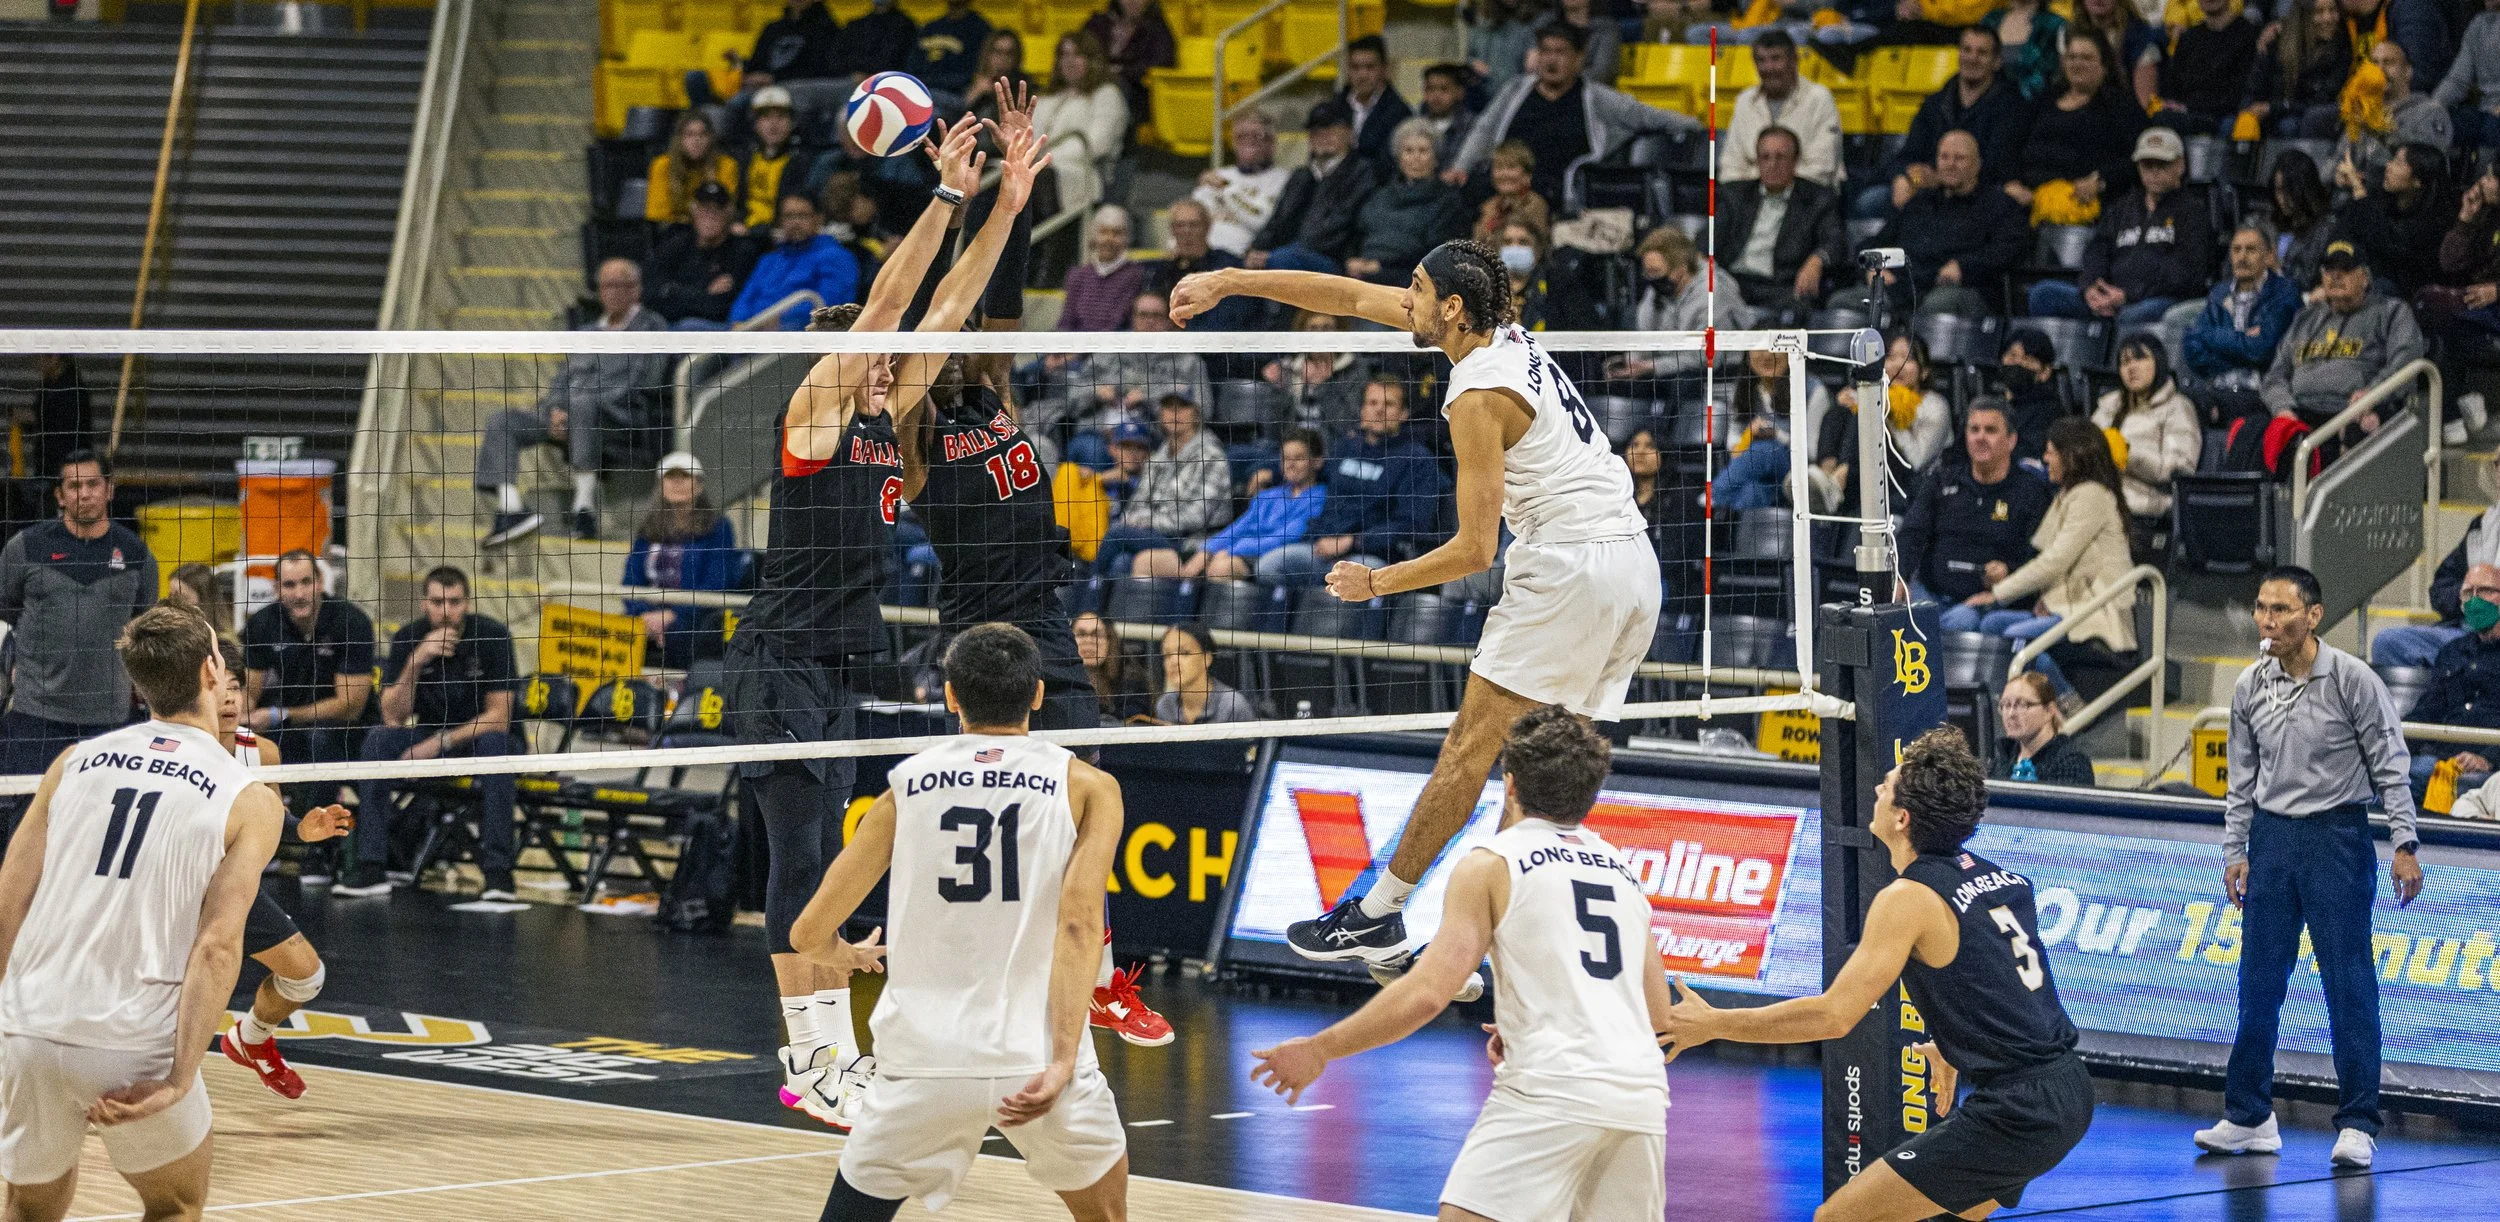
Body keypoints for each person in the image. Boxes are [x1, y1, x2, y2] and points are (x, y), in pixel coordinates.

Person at [1171, 237, 1661, 994]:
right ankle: (1497, 955)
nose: (1405, 299)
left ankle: (1378, 914)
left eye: (1418, 288)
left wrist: (1376, 582)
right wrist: (1230, 280)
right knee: (1540, 776)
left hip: (1572, 570)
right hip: (1633, 567)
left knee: (1470, 748)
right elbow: (1345, 293)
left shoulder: (1478, 394)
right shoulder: (1501, 333)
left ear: (1453, 308)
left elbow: (1475, 549)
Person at [726, 116, 1038, 1128]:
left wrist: (1004, 206)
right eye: (869, 351)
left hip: (834, 668)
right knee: (798, 865)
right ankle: (812, 1060)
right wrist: (943, 193)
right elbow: (898, 302)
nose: (886, 362)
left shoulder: (886, 418)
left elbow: (943, 307)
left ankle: (835, 1056)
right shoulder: (813, 420)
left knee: (828, 863)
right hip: (776, 662)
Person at [887, 122, 1174, 1047]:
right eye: (945, 340)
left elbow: (998, 305)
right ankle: (963, 972)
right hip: (981, 634)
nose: (963, 342)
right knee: (998, 805)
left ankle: (1098, 979)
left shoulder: (992, 392)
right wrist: (952, 205)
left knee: (1087, 790)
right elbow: (938, 316)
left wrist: (1008, 196)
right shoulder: (912, 436)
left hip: (1044, 614)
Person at [1250, 706, 1670, 1220]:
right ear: (1591, 791)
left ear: (1509, 784)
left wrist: (1321, 1049)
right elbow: (1657, 1015)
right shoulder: (1623, 871)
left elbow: (1428, 992)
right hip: (1641, 1100)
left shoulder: (1493, 862)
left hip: (1551, 1089)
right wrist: (1531, 1019)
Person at [1660, 727, 2095, 1222]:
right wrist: (1953, 1045)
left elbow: (1833, 1016)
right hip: (2067, 1088)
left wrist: (1715, 1023)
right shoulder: (1998, 877)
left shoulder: (1907, 899)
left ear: (1902, 818)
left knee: (1837, 1218)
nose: (1875, 790)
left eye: (1886, 786)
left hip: (2020, 1111)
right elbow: (1996, 980)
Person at [789, 623, 1131, 1222]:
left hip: (924, 1059)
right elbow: (1080, 927)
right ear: (1038, 694)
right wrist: (1061, 1062)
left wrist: (842, 955)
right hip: (1036, 1054)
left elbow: (807, 935)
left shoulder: (904, 787)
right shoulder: (1090, 787)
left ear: (950, 696)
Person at [0, 606, 283, 1222]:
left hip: (31, 1023)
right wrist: (181, 1077)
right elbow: (217, 945)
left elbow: (8, 898)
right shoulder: (250, 797)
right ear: (212, 672)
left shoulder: (73, 761)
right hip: (133, 1041)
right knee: (175, 1203)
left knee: (27, 1208)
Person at [2198, 564, 2423, 1170]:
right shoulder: (2250, 684)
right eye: (2261, 608)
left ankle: (2358, 1123)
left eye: (2281, 610)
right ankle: (2250, 1116)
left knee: (2348, 983)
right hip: (2272, 838)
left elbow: (2391, 763)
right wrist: (2235, 849)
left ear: (2314, 615)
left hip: (2336, 837)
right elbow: (2240, 776)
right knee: (2258, 984)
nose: (2267, 621)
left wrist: (2404, 842)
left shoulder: (2352, 679)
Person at [210, 636, 353, 1101]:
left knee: (306, 976)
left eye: (237, 688)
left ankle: (250, 1039)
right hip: (167, 885)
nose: (230, 700)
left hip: (230, 886)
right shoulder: (167, 748)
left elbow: (275, 820)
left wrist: (303, 831)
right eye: (220, 689)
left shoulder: (261, 752)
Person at [334, 566, 520, 901]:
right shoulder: (408, 637)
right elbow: (393, 715)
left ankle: (498, 874)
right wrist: (416, 662)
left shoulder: (493, 636)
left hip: (482, 739)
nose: (446, 611)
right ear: (423, 604)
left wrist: (439, 742)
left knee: (496, 747)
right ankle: (371, 866)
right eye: (437, 602)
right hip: (430, 735)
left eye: (454, 602)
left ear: (467, 603)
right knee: (378, 739)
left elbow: (499, 718)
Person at [477, 258, 671, 546]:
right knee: (504, 420)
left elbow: (647, 380)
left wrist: (580, 406)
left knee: (582, 404)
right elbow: (562, 379)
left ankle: (584, 509)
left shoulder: (652, 327)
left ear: (635, 290)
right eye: (605, 286)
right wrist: (555, 410)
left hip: (621, 418)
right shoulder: (585, 333)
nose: (611, 293)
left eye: (618, 285)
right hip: (572, 413)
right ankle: (511, 509)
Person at [0, 450, 156, 798]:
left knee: (102, 818)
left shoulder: (137, 555)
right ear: (60, 495)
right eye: (73, 486)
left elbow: (143, 628)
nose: (84, 494)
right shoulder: (25, 547)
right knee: (28, 817)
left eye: (92, 484)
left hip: (110, 721)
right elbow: (6, 613)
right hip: (36, 718)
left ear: (109, 489)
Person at [1948, 417, 2135, 697]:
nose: (2045, 459)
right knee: (1990, 625)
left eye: (2051, 452)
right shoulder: (2067, 494)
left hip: (2095, 613)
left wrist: (1997, 594)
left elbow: (2055, 562)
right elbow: (2050, 558)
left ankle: (2066, 702)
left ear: (2071, 456)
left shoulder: (2091, 496)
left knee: (2014, 639)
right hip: (2067, 607)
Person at [1449, 22, 1698, 206]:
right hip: (1505, 185)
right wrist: (1461, 166)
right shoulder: (1515, 90)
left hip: (1561, 194)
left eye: (1560, 52)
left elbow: (1646, 115)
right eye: (1545, 51)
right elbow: (1485, 129)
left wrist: (1697, 125)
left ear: (1579, 58)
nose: (1551, 60)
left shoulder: (1597, 98)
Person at [1255, 378, 1445, 589]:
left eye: (1389, 404)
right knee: (1269, 566)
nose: (1379, 410)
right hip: (1321, 548)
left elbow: (1412, 524)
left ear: (1404, 413)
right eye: (1372, 403)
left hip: (1374, 556)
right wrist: (1271, 472)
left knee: (1352, 583)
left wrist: (1353, 541)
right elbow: (1313, 466)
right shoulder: (1346, 447)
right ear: (1362, 410)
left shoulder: (1417, 459)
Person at [239, 550, 373, 829]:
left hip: (350, 731)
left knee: (319, 739)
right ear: (277, 589)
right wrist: (239, 720)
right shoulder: (262, 624)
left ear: (320, 582)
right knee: (248, 743)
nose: (299, 594)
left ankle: (319, 840)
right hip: (292, 728)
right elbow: (250, 692)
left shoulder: (352, 622)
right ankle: (264, 833)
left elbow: (350, 706)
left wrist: (281, 715)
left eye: (306, 582)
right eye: (289, 585)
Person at [2029, 128, 2211, 327]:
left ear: (2181, 165)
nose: (2154, 171)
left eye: (2163, 164)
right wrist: (2091, 288)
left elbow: (2186, 275)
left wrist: (2127, 295)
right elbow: (2097, 253)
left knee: (2135, 315)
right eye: (2147, 164)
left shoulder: (2193, 211)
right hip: (2110, 297)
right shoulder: (2121, 209)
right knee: (2043, 294)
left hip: (2157, 300)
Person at [1899, 399, 2055, 607]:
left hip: (1989, 603)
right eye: (1974, 430)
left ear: (2011, 440)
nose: (1980, 437)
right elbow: (1911, 533)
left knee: (1960, 620)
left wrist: (2009, 570)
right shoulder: (1942, 480)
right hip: (1930, 595)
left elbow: (2040, 558)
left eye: (1990, 430)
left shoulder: (2031, 492)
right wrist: (1899, 576)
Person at [2262, 239, 2428, 428]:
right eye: (2329, 270)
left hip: (2356, 411)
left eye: (2345, 269)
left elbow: (2405, 364)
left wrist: (2372, 394)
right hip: (2298, 412)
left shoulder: (2391, 312)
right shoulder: (2305, 318)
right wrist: (2283, 409)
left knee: (2364, 426)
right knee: (2252, 428)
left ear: (2364, 278)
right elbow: (2275, 375)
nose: (2335, 276)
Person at [1867, 28, 2027, 219]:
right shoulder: (1935, 102)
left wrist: (1941, 179)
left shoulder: (2011, 106)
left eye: (1982, 53)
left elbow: (1999, 168)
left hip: (1979, 196)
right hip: (1930, 192)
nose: (1972, 58)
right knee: (1872, 200)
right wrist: (1909, 177)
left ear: (1997, 61)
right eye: (1966, 50)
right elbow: (1906, 156)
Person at [1872, 130, 2031, 317]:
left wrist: (1964, 267)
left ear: (1977, 164)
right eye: (1944, 157)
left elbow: (2010, 248)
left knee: (1935, 307)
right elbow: (1877, 242)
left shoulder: (1999, 205)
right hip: (1905, 287)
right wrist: (1874, 266)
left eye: (1959, 158)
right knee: (1849, 302)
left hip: (1965, 289)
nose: (1950, 164)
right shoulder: (1920, 202)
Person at [1135, 428, 1327, 581]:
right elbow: (1239, 527)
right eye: (1286, 458)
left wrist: (1229, 551)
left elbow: (1286, 537)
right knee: (1147, 561)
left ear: (1317, 462)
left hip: (1265, 555)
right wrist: (1207, 550)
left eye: (1299, 458)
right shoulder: (1268, 495)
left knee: (1221, 568)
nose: (1290, 464)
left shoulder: (1322, 498)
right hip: (1229, 551)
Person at [2006, 32, 2149, 225]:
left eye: (2086, 58)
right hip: (2028, 201)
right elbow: (2010, 146)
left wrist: (2101, 181)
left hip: (2084, 206)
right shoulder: (2043, 101)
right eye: (2072, 57)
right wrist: (2012, 181)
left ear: (2104, 65)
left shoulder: (2120, 106)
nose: (2077, 64)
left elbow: (2139, 156)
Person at [2377, 449, 2500, 667]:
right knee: (2388, 643)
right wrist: (2469, 595)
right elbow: (2441, 588)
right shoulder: (2481, 526)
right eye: (2498, 464)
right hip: (2466, 633)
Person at [621, 452, 742, 671]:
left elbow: (717, 583)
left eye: (685, 476)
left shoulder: (719, 528)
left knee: (682, 634)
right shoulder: (648, 527)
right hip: (646, 617)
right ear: (660, 485)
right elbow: (630, 579)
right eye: (670, 477)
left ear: (699, 485)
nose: (677, 482)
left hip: (696, 618)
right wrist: (644, 615)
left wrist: (672, 615)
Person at [1092, 394, 1232, 575]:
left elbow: (1197, 517)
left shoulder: (1212, 456)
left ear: (1196, 413)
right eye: (1168, 407)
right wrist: (1139, 520)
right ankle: (1099, 591)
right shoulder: (1157, 457)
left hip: (1193, 543)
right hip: (1155, 536)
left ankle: (1089, 591)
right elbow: (1136, 505)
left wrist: (1148, 521)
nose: (1174, 414)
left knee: (1117, 533)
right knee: (1122, 562)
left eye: (1182, 407)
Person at [1715, 124, 1847, 316]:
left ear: (1795, 160)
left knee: (1800, 307)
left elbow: (1835, 241)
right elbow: (1708, 241)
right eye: (1765, 157)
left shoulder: (1817, 199)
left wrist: (1817, 259)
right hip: (1734, 283)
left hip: (1783, 287)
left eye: (1780, 157)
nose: (1772, 164)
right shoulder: (1735, 195)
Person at [2183, 222, 2303, 425]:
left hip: (2260, 393)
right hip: (2217, 388)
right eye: (2236, 250)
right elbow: (2193, 349)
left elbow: (2262, 351)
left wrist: (2211, 336)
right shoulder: (2219, 293)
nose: (2242, 257)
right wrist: (2243, 345)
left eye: (2251, 250)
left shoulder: (2284, 292)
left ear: (2268, 255)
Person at [1245, 100, 1379, 279]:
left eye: (1330, 130)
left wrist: (1275, 254)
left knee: (1281, 261)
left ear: (1349, 133)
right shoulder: (1301, 175)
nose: (1322, 137)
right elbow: (1277, 220)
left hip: (1335, 261)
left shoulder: (1362, 173)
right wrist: (1256, 249)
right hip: (1290, 254)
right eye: (1316, 132)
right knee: (1235, 264)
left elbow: (1339, 227)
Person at [1816, 334, 1952, 509]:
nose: (1897, 365)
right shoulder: (1881, 394)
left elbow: (1916, 461)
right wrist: (1848, 402)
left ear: (1924, 371)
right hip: (1870, 476)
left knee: (1867, 413)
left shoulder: (1936, 406)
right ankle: (1826, 476)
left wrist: (1887, 415)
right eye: (1891, 357)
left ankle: (1838, 480)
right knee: (1838, 413)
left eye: (1907, 358)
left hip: (1910, 482)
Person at [2091, 333, 2203, 545]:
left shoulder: (2177, 407)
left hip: (2144, 511)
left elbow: (2178, 468)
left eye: (2140, 358)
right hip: (2099, 504)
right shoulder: (2109, 406)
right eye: (2125, 362)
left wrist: (2126, 454)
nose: (2131, 368)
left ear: (2159, 362)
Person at [2401, 562, 2500, 796]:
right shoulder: (2452, 652)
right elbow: (2427, 710)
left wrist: (2487, 758)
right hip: (2441, 760)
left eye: (2484, 591)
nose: (2475, 600)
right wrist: (2391, 746)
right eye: (2467, 593)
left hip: (2489, 766)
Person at [1344, 119, 1466, 286]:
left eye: (1423, 151)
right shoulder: (1379, 196)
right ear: (1399, 157)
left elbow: (1436, 253)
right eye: (1408, 151)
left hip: (1412, 277)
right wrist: (1351, 260)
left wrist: (1382, 266)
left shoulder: (1448, 200)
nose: (1416, 158)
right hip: (1363, 271)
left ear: (1436, 157)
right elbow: (1356, 235)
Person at [1615, 226, 1749, 377]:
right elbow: (1645, 336)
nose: (1651, 278)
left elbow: (1705, 357)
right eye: (1648, 272)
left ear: (1681, 268)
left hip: (1721, 374)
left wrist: (1653, 366)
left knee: (1684, 381)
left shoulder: (1714, 292)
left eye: (1656, 272)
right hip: (1671, 368)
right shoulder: (1657, 288)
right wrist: (1631, 361)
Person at [1034, 31, 1129, 230]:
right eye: (1064, 55)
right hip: (1041, 168)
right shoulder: (1047, 97)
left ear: (1092, 60)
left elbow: (1097, 144)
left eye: (1077, 55)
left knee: (1042, 179)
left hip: (1084, 172)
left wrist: (1046, 160)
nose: (1069, 61)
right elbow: (1032, 136)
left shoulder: (1107, 95)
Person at [1722, 31, 1842, 187]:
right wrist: (1760, 187)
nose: (1769, 68)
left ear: (1794, 61)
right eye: (1761, 60)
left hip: (1808, 194)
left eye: (1776, 59)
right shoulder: (1745, 100)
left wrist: (1772, 182)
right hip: (1751, 196)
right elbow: (1730, 166)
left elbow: (1822, 168)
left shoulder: (1819, 99)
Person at [732, 194, 864, 331]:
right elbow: (744, 299)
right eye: (789, 216)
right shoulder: (769, 259)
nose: (795, 223)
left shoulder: (836, 257)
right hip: (752, 331)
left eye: (802, 216)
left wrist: (781, 321)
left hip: (799, 334)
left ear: (819, 218)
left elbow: (830, 307)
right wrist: (739, 321)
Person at [2338, 140, 2453, 295]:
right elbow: (2350, 228)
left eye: (2398, 163)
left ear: (2418, 181)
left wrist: (2358, 190)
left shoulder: (2433, 222)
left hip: (2401, 291)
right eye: (2392, 160)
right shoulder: (2385, 198)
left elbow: (2386, 242)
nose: (2388, 166)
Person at [2333, 40, 2453, 184]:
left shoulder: (2430, 112)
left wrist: (2377, 130)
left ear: (2408, 71)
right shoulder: (2364, 111)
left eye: (2388, 62)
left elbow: (2424, 170)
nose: (2379, 69)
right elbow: (2336, 163)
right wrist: (2338, 176)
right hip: (2353, 194)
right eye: (2374, 63)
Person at [644, 181, 764, 327]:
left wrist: (674, 291)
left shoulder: (741, 251)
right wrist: (704, 292)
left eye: (717, 210)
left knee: (689, 326)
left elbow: (720, 308)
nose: (710, 216)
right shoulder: (678, 243)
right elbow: (651, 295)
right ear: (694, 211)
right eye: (704, 209)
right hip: (669, 323)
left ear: (728, 213)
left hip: (714, 329)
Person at [1193, 109, 1289, 256]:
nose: (1248, 140)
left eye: (1257, 135)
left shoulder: (1284, 179)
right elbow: (1192, 218)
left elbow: (1261, 222)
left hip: (1242, 258)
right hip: (1204, 257)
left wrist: (1225, 189)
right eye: (1241, 136)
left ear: (1272, 142)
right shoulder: (1220, 174)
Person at [1142, 199, 1249, 331]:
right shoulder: (1160, 271)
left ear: (1207, 227)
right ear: (1172, 229)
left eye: (1194, 225)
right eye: (1180, 225)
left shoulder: (1227, 266)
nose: (1186, 231)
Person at [2160, 0, 2262, 129]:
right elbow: (2174, 85)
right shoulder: (2189, 38)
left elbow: (2241, 91)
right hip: (2189, 114)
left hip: (2227, 116)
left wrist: (2190, 107)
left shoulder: (2247, 35)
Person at [1994, 671, 2098, 785]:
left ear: (2050, 710)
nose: (2011, 714)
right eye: (2006, 705)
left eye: (2022, 705)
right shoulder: (2000, 761)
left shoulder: (2072, 764)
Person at [1079, 0, 1174, 122]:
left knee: (1114, 89)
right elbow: (1080, 52)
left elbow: (1160, 64)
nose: (1133, 1)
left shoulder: (1158, 30)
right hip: (1094, 82)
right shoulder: (1098, 23)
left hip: (1135, 92)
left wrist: (1120, 70)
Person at [1058, 204, 1148, 332]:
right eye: (1103, 232)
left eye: (1117, 233)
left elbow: (1128, 323)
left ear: (1127, 238)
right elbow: (1066, 321)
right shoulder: (1077, 275)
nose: (1109, 239)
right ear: (1094, 236)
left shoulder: (1136, 275)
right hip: (1078, 342)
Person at [1152, 621, 1257, 724]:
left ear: (1207, 658)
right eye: (1167, 655)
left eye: (1184, 653)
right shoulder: (1165, 706)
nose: (1174, 662)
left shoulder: (1233, 706)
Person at [645, 112, 739, 226]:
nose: (696, 141)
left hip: (712, 228)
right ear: (679, 139)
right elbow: (658, 215)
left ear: (711, 138)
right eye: (690, 135)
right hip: (674, 229)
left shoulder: (726, 165)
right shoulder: (663, 166)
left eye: (702, 135)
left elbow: (726, 210)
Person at [1992, 327, 2069, 464]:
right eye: (2012, 356)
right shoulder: (1989, 405)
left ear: (2045, 372)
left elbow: (2029, 457)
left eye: (2028, 359)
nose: (2018, 363)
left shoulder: (2050, 413)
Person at [2270, 150, 2340, 289]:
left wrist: (2274, 269)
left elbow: (2308, 280)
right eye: (2279, 190)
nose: (2283, 199)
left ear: (2305, 190)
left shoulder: (2326, 229)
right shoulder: (2267, 224)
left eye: (2289, 191)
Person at [1338, 34, 1413, 163]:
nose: (1362, 75)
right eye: (1355, 67)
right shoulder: (1335, 107)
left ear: (1384, 69)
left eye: (1370, 67)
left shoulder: (1399, 113)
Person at [2434, 0, 2500, 148]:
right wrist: (2433, 106)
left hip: (2493, 121)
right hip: (2484, 115)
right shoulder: (2479, 25)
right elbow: (2457, 81)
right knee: (2435, 126)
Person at [1072, 610, 1152, 721]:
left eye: (1097, 635)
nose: (1089, 641)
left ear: (1110, 640)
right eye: (1081, 634)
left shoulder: (1132, 682)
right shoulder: (1059, 682)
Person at [1980, 0, 2068, 100]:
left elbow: (2054, 77)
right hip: (1985, 103)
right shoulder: (1991, 20)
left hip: (2034, 104)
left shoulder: (2054, 25)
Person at [1469, 141, 1552, 243]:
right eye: (1499, 167)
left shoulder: (1535, 205)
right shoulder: (1488, 207)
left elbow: (1537, 245)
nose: (1504, 174)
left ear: (1527, 175)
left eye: (1511, 167)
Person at [913, 0, 993, 102]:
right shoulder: (930, 28)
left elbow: (974, 74)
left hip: (958, 95)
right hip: (924, 90)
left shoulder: (980, 29)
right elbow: (913, 67)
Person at [1418, 61, 1477, 165]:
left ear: (1460, 92)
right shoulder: (1417, 125)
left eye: (1444, 89)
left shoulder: (1472, 127)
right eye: (1430, 89)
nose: (1436, 96)